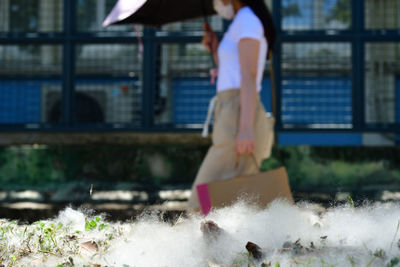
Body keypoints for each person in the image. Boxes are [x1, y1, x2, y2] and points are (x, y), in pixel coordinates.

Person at [187, 0, 276, 211]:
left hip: (238, 110)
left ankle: (194, 236)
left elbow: (249, 75)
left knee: (204, 194)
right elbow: (234, 68)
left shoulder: (247, 20)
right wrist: (215, 46)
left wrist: (245, 128)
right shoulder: (241, 21)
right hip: (232, 107)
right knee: (236, 193)